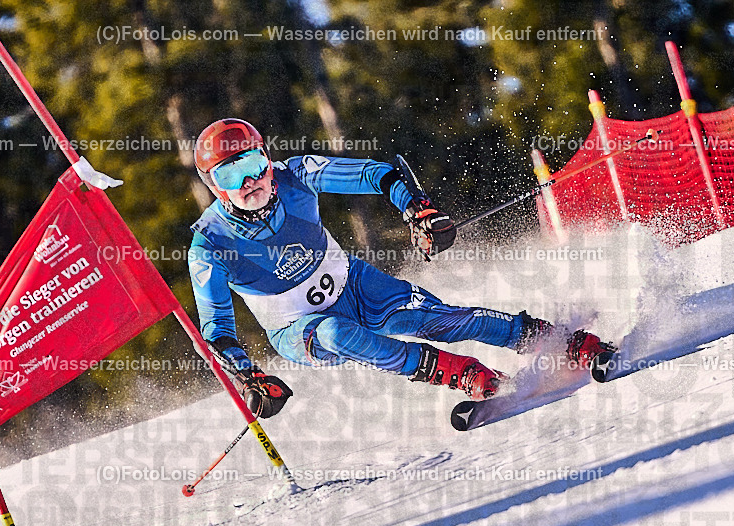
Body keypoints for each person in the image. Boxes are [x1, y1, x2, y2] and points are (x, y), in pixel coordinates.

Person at [187, 118, 612, 418]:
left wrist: (417, 210)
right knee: (337, 333)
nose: (250, 181)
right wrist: (247, 376)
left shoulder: (296, 175)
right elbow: (217, 331)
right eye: (231, 173)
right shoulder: (209, 244)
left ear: (266, 157)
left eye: (253, 164)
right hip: (297, 328)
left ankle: (561, 341)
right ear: (213, 185)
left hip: (354, 284)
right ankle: (454, 372)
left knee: (438, 320)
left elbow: (376, 174)